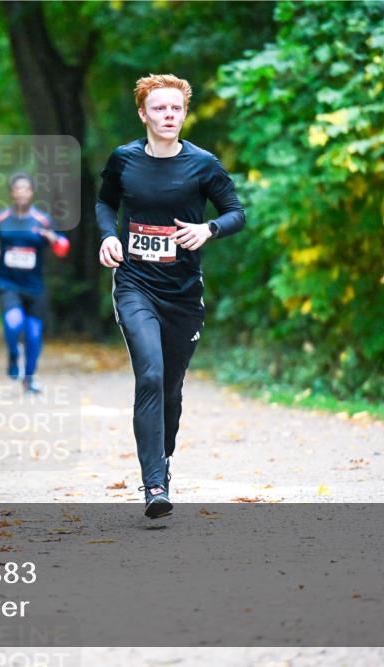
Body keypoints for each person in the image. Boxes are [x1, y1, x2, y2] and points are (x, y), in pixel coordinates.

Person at [96, 73, 246, 519]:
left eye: (176, 109)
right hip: (134, 283)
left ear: (184, 113)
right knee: (151, 376)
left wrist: (209, 228)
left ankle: (163, 460)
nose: (168, 115)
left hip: (182, 293)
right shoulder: (123, 160)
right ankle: (154, 485)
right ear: (143, 114)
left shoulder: (202, 164)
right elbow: (105, 203)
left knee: (172, 387)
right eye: (159, 109)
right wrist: (108, 236)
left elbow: (236, 212)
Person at [0, 173, 69, 393]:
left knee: (34, 335)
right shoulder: (0, 219)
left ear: (31, 192)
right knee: (13, 323)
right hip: (7, 283)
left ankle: (29, 379)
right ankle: (13, 355)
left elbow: (62, 247)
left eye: (25, 189)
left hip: (35, 287)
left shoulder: (43, 220)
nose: (21, 192)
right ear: (11, 192)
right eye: (17, 188)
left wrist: (54, 239)